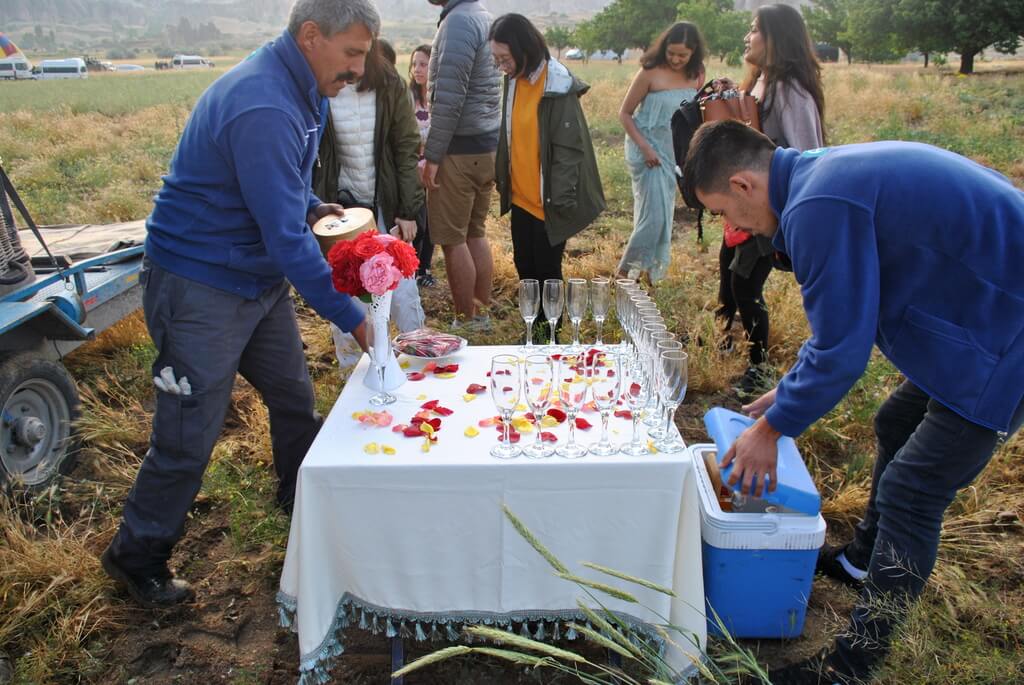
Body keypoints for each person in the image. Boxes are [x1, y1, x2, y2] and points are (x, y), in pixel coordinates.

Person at [681, 120, 1024, 685]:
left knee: (913, 491)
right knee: (895, 419)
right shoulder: (816, 176)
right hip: (979, 308)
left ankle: (850, 665)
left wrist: (772, 430)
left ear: (743, 185)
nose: (730, 227)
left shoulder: (819, 205)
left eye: (721, 211)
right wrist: (788, 391)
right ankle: (862, 558)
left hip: (1004, 333)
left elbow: (843, 352)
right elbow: (841, 332)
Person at [100, 0, 378, 608]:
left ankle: (300, 497)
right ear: (311, 36)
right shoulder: (264, 102)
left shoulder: (300, 87)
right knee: (188, 431)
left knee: (293, 396)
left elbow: (275, 185)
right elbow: (286, 243)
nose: (359, 69)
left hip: (253, 281)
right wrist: (354, 316)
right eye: (352, 53)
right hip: (200, 286)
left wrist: (311, 205)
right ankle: (136, 555)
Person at [717, 3, 826, 397]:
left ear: (776, 37)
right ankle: (728, 339)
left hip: (772, 207)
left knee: (745, 284)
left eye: (754, 29)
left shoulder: (789, 89)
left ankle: (759, 368)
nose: (748, 36)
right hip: (749, 204)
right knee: (729, 272)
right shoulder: (762, 82)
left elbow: (808, 154)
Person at [313, 38, 426, 367]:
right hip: (338, 206)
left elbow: (406, 146)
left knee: (402, 288)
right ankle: (357, 376)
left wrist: (407, 209)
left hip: (386, 202)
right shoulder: (318, 82)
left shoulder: (389, 82)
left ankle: (417, 365)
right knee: (346, 289)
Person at [489, 14, 605, 285]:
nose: (501, 66)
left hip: (548, 200)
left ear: (524, 49)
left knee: (546, 272)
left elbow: (568, 150)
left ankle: (550, 328)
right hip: (521, 196)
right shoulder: (514, 79)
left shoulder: (557, 85)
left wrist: (561, 203)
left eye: (505, 59)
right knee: (525, 268)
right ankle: (531, 328)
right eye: (496, 60)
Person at [422, 0, 501, 332]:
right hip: (487, 146)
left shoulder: (458, 22)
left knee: (452, 239)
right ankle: (480, 316)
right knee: (473, 232)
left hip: (459, 149)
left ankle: (466, 320)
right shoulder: (482, 15)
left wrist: (433, 156)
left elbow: (450, 98)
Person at [616, 22, 705, 285]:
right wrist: (645, 148)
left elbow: (693, 116)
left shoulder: (697, 74)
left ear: (693, 53)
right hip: (645, 150)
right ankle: (623, 274)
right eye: (672, 53)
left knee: (664, 215)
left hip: (673, 153)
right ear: (664, 47)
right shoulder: (649, 73)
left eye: (683, 55)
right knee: (653, 216)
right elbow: (624, 114)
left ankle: (648, 275)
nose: (676, 59)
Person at [408, 44, 437, 287]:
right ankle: (412, 265)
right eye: (414, 64)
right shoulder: (407, 98)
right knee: (417, 218)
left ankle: (424, 267)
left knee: (433, 219)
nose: (417, 69)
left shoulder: (438, 99)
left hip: (436, 167)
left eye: (423, 64)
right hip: (412, 169)